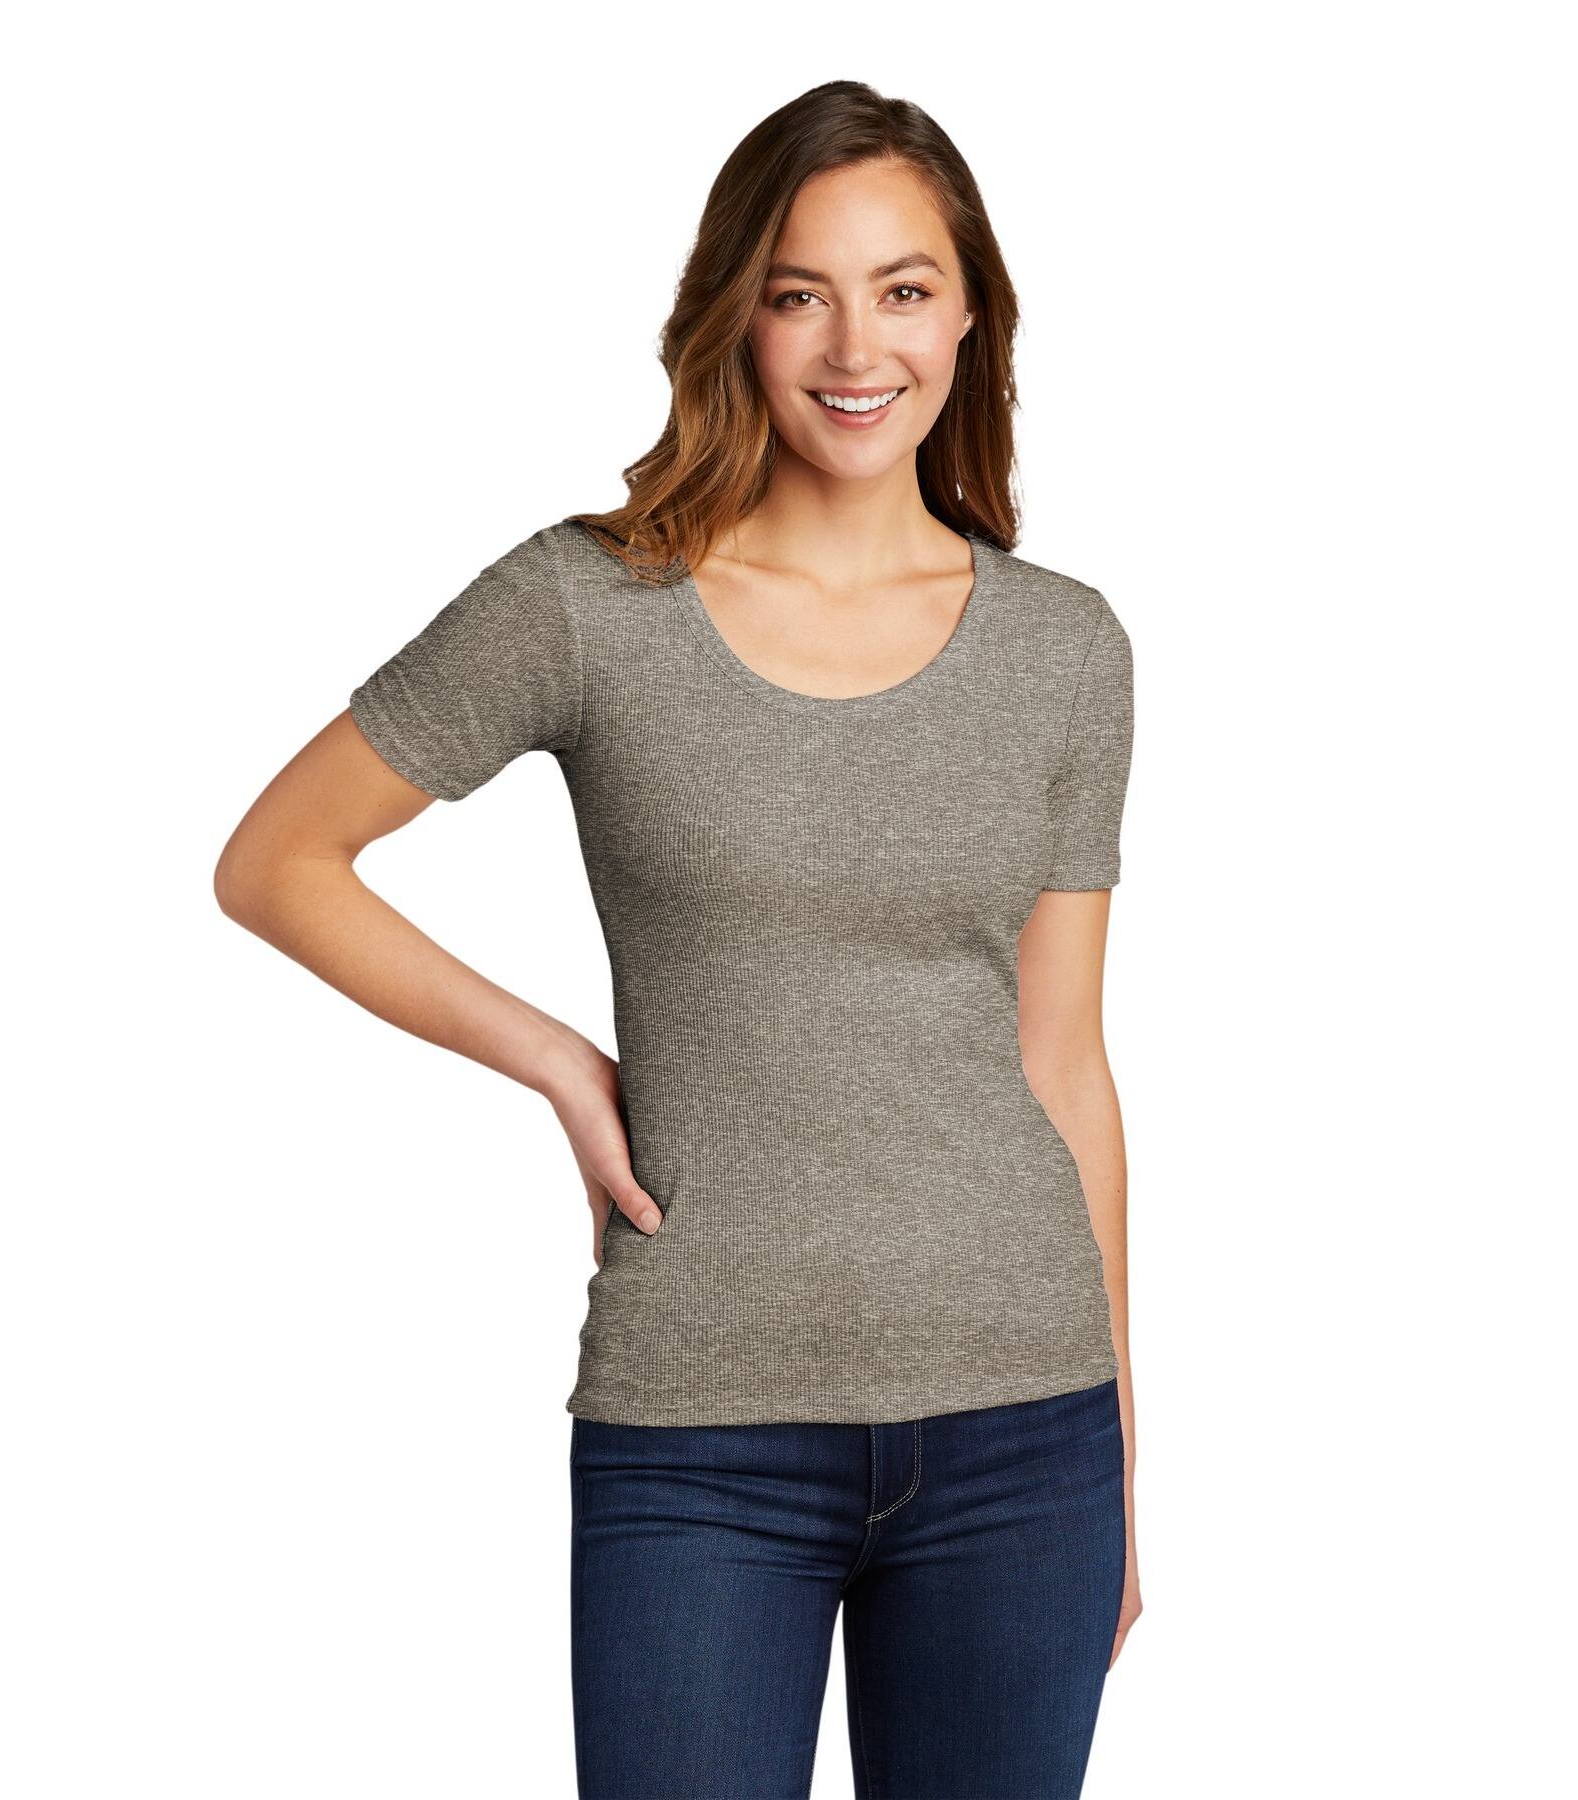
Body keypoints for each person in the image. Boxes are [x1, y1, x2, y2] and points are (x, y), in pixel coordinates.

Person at [215, 77, 1140, 1800]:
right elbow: (278, 862)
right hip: (699, 1438)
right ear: (735, 317)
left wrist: (1126, 1476)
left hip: (1027, 1440)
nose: (856, 345)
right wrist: (563, 1064)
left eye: (905, 289)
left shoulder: (1065, 649)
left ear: (969, 316)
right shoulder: (591, 604)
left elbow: (1066, 1066)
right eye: (800, 293)